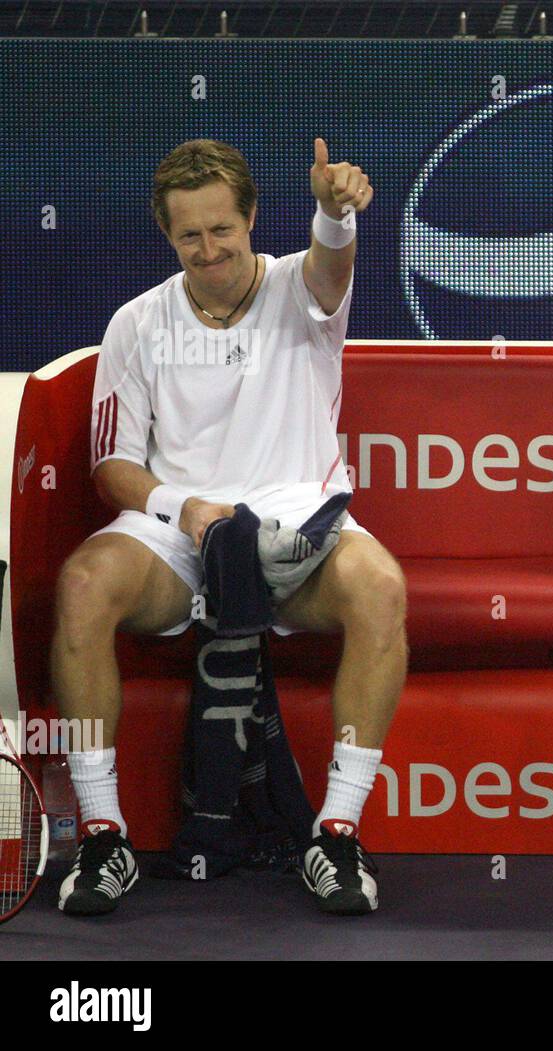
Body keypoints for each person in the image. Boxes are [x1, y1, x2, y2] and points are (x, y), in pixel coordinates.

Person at [52, 138, 407, 917]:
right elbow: (114, 465)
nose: (209, 249)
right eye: (190, 235)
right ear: (167, 235)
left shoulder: (300, 291)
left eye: (223, 229)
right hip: (180, 539)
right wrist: (191, 510)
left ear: (252, 217)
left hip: (298, 536)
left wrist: (334, 213)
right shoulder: (137, 323)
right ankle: (103, 833)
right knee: (82, 583)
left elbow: (330, 266)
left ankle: (336, 832)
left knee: (380, 586)